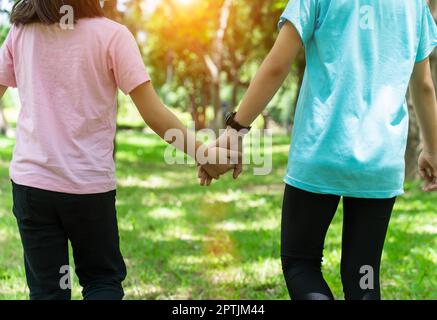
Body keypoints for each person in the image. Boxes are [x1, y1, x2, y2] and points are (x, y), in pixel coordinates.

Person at [200, 0, 437, 300]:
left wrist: (236, 129)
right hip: (380, 162)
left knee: (301, 263)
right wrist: (432, 149)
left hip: (321, 151)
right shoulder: (414, 4)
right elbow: (424, 84)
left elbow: (277, 64)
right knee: (363, 272)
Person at [0, 0, 236, 300]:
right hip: (88, 189)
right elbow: (153, 113)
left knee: (48, 291)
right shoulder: (111, 35)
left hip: (32, 187)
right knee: (101, 281)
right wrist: (205, 155)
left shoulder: (21, 33)